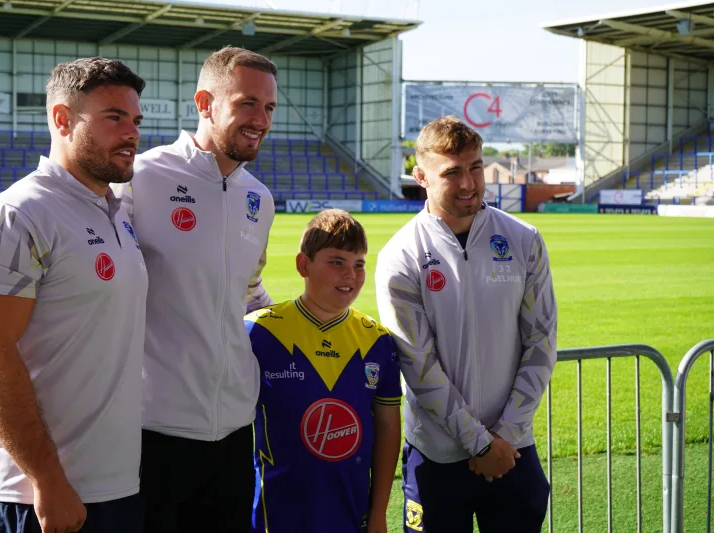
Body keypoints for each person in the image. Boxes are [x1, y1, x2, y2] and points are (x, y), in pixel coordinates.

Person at [0, 57, 148, 533]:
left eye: (136, 120)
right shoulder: (18, 214)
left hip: (115, 488)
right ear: (62, 119)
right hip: (32, 499)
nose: (132, 133)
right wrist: (46, 479)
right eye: (113, 117)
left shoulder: (117, 212)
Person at [114, 46, 276, 532]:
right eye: (247, 103)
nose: (261, 120)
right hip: (153, 429)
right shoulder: (139, 179)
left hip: (233, 430)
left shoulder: (259, 199)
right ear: (204, 103)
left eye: (269, 107)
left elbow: (248, 293)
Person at [375, 116, 558, 533]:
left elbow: (542, 343)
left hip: (513, 450)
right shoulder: (400, 256)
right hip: (438, 457)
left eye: (475, 167)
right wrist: (480, 442)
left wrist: (504, 438)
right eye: (452, 172)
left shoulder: (523, 239)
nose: (468, 184)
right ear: (420, 176)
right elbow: (420, 368)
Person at [245, 209, 402, 533]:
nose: (350, 275)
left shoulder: (378, 341)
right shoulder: (258, 332)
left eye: (358, 264)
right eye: (337, 262)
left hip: (350, 512)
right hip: (274, 512)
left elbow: (388, 429)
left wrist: (378, 513)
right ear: (304, 265)